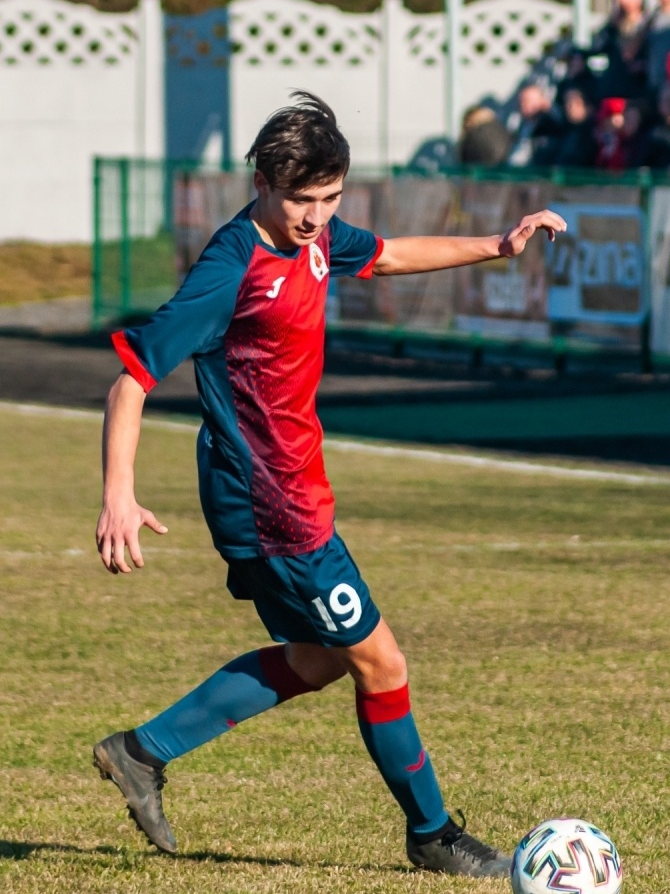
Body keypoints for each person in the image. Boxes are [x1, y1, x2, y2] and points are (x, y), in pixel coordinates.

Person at [89, 92, 566, 877]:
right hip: (272, 500)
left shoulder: (314, 240)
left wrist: (497, 244)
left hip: (285, 485)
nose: (316, 217)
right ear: (263, 182)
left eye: (330, 199)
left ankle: (142, 751)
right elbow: (132, 379)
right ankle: (433, 833)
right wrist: (118, 491)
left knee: (314, 659)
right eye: (301, 201)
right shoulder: (231, 262)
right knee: (383, 663)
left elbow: (385, 252)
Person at [587, 0, 649, 99]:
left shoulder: (647, 25)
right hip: (613, 87)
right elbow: (596, 47)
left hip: (636, 88)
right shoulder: (613, 29)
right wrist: (612, 25)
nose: (623, 8)